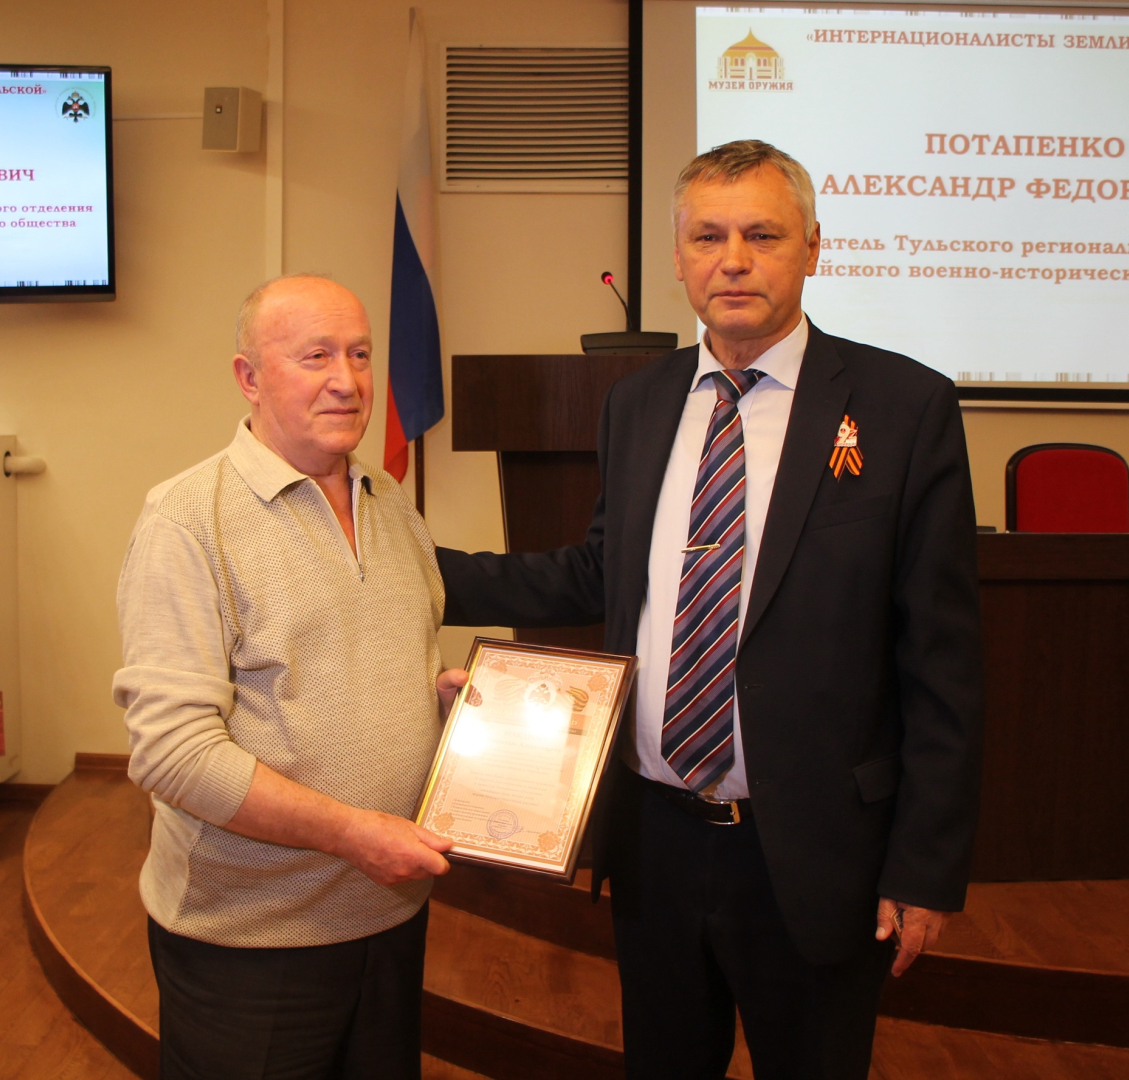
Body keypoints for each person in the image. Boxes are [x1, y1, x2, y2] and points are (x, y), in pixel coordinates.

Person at [435, 140, 985, 1078]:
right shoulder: (639, 403)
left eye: (762, 235)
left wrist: (924, 868)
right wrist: (414, 572)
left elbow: (943, 663)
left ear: (812, 247)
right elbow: (603, 573)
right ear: (680, 257)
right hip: (655, 842)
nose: (733, 260)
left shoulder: (905, 406)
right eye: (708, 237)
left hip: (814, 853)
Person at [113, 274, 458, 1080]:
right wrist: (353, 834)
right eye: (315, 356)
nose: (347, 380)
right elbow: (173, 753)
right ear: (250, 377)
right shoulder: (186, 520)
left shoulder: (390, 504)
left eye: (360, 354)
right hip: (251, 945)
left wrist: (437, 700)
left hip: (390, 914)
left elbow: (371, 662)